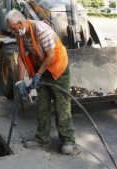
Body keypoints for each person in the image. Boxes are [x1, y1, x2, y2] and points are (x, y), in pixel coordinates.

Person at [5, 10, 75, 155]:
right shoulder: (20, 35)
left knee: (62, 106)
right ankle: (42, 140)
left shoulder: (41, 29)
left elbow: (51, 56)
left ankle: (68, 140)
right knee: (41, 106)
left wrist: (37, 75)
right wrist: (20, 82)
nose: (12, 32)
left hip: (58, 69)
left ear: (20, 23)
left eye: (12, 28)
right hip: (42, 70)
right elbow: (22, 59)